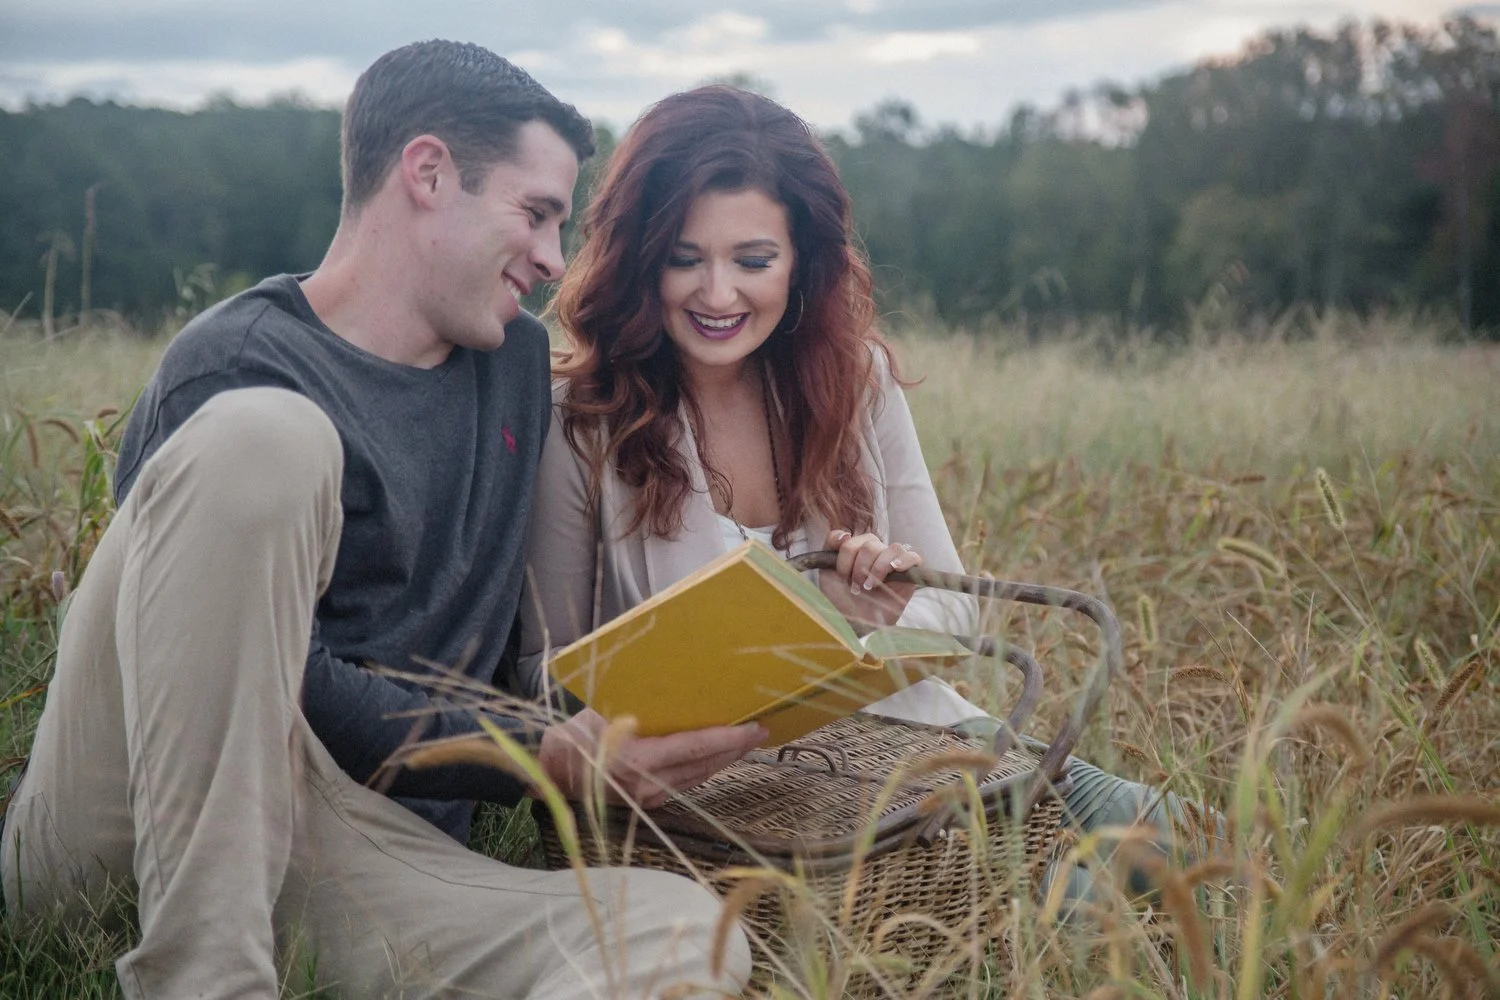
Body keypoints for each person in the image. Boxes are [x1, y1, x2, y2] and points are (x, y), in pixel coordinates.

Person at [0, 42, 760, 999]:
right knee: (267, 440)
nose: (551, 258)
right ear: (429, 173)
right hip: (146, 823)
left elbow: (505, 656)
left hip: (364, 865)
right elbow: (221, 675)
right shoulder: (236, 362)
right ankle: (201, 979)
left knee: (688, 938)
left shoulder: (513, 370)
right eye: (534, 214)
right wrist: (535, 760)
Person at [519, 85, 1220, 915]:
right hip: (735, 803)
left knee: (1209, 845)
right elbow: (544, 677)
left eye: (752, 260)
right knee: (1074, 912)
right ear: (640, 258)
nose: (717, 294)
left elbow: (958, 611)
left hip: (924, 745)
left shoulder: (858, 384)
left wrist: (863, 613)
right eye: (683, 258)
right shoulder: (580, 420)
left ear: (801, 261)